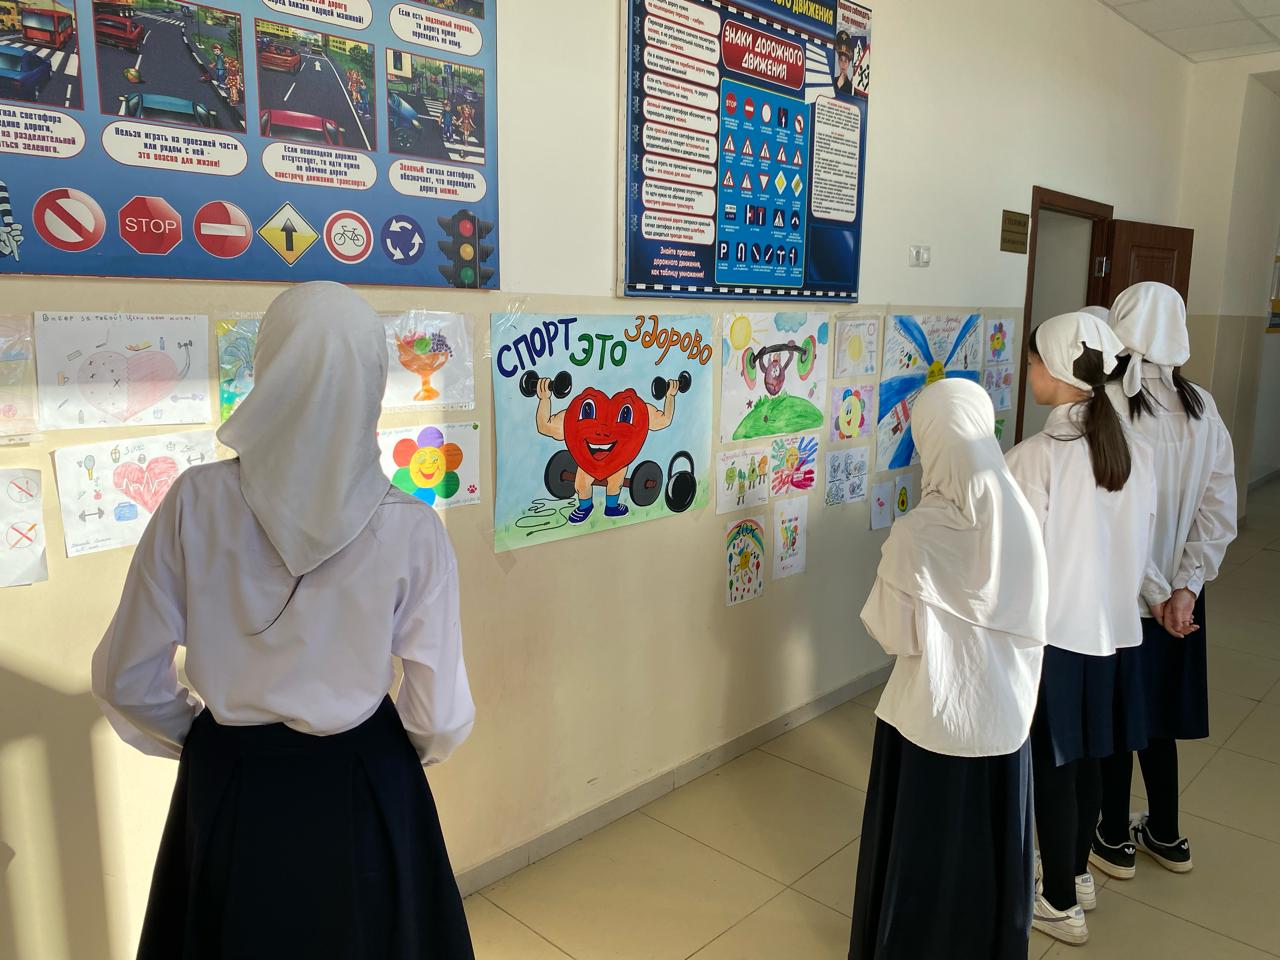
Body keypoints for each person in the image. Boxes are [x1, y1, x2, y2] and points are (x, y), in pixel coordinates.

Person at [92, 282, 477, 960]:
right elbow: (440, 716)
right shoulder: (411, 528)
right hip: (364, 776)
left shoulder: (193, 502)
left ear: (267, 368)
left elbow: (126, 679)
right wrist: (390, 755)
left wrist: (209, 739)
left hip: (230, 775)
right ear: (372, 383)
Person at [849, 378, 1048, 960]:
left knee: (924, 851)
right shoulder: (1020, 515)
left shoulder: (917, 533)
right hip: (1006, 722)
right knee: (991, 849)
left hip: (929, 723)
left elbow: (894, 634)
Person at [1006, 311, 1158, 947]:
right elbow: (1143, 543)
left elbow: (1015, 562)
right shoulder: (1134, 450)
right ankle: (1076, 873)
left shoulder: (1035, 459)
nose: (1029, 373)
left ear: (1058, 371)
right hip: (1117, 633)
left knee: (1053, 764)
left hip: (1057, 638)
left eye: (1033, 362)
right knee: (1094, 754)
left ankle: (1060, 900)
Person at [1093, 282, 1236, 878]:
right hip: (1181, 602)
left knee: (1116, 713)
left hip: (1119, 595)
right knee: (1159, 713)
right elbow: (1218, 507)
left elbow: (1112, 513)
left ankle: (1111, 837)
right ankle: (1167, 833)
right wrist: (1185, 588)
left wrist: (1153, 591)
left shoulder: (1106, 405)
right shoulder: (1202, 406)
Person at [834, 30, 854, 95]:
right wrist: (837, 86)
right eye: (841, 60)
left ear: (848, 64)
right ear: (838, 61)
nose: (843, 64)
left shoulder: (852, 88)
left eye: (845, 61)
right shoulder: (833, 81)